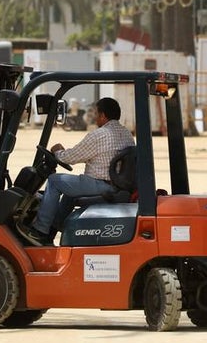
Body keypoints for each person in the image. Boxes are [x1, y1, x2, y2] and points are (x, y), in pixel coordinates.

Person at [24, 96, 134, 245]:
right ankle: (52, 230)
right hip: (116, 183)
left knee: (54, 181)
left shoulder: (100, 135)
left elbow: (71, 157)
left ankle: (39, 230)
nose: (94, 117)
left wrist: (58, 151)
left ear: (103, 115)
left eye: (96, 114)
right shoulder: (127, 134)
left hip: (101, 184)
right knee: (69, 193)